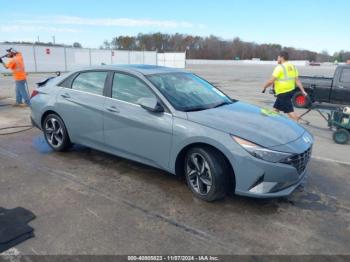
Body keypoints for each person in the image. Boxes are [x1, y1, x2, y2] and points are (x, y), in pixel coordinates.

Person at [262, 51, 307, 121]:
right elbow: (297, 81)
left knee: (290, 112)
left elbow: (271, 81)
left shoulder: (279, 67)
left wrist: (264, 87)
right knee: (276, 109)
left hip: (283, 93)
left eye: (278, 57)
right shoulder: (293, 67)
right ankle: (272, 122)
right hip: (289, 91)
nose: (277, 59)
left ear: (281, 57)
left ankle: (299, 125)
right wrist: (303, 91)